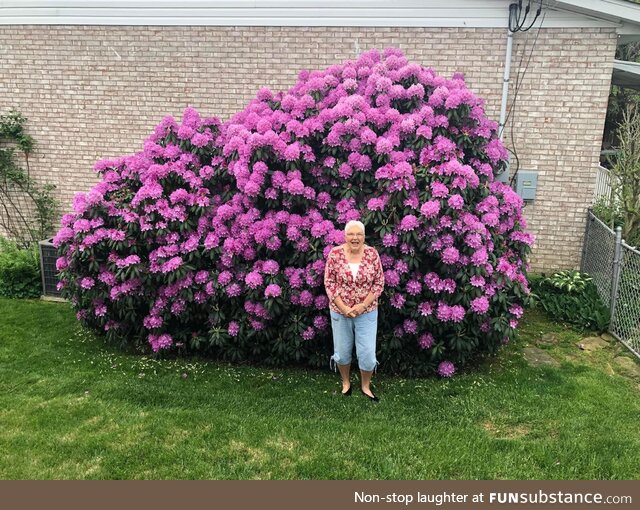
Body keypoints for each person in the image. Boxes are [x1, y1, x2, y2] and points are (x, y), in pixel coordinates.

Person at [324, 220, 385, 401]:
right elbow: (329, 282)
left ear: (364, 236)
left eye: (359, 234)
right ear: (345, 236)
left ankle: (365, 386)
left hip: (366, 311)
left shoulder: (372, 255)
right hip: (340, 311)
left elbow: (379, 283)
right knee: (342, 353)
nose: (355, 238)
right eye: (351, 234)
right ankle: (346, 382)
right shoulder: (334, 254)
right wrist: (344, 308)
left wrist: (362, 306)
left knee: (367, 354)